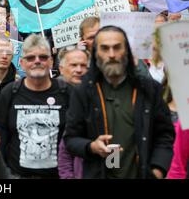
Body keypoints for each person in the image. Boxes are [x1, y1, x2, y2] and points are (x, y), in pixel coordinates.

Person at [64, 26, 175, 179]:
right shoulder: (83, 92)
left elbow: (165, 135)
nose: (111, 54)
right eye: (105, 48)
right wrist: (91, 147)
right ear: (96, 53)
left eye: (117, 47)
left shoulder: (149, 89)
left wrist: (157, 170)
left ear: (127, 51)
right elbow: (71, 139)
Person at [0, 34, 69, 178]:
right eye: (30, 58)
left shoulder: (67, 93)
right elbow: (1, 138)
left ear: (51, 61)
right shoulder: (10, 93)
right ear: (22, 63)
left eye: (43, 57)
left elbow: (74, 137)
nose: (37, 61)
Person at [56, 45, 90, 179]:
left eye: (83, 65)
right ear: (61, 69)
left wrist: (114, 172)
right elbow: (65, 151)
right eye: (74, 65)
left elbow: (113, 143)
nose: (79, 70)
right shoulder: (50, 94)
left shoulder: (100, 97)